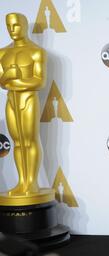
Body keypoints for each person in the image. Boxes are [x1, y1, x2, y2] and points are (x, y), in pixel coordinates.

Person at [0, 13, 47, 196]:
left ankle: (32, 183)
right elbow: (2, 81)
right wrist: (10, 77)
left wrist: (15, 79)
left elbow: (39, 81)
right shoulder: (3, 53)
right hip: (12, 99)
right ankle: (22, 182)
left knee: (30, 139)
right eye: (9, 26)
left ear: (24, 26)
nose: (12, 30)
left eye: (16, 26)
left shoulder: (36, 51)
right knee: (17, 142)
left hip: (28, 99)